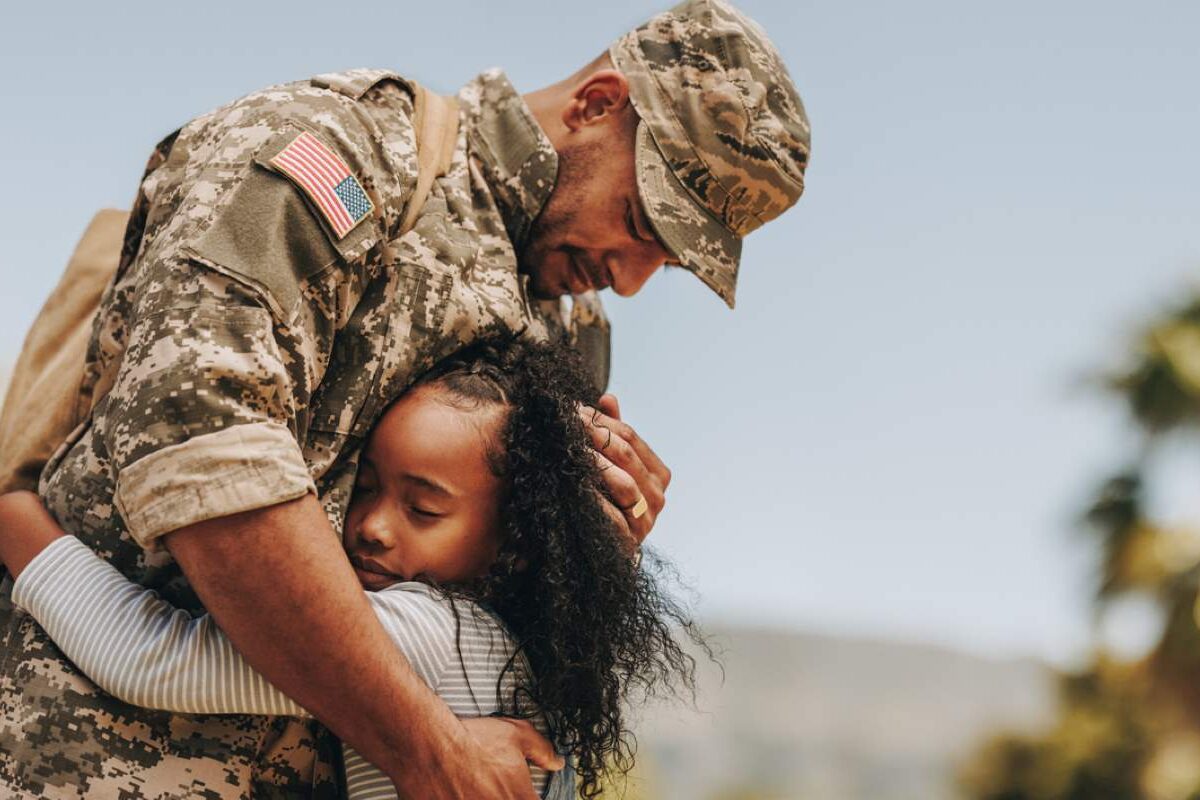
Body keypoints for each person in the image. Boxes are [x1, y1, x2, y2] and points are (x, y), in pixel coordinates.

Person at [0, 0, 809, 797]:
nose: (630, 279)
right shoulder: (345, 155)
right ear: (599, 104)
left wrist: (599, 544)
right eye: (638, 221)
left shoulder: (572, 329)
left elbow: (488, 627)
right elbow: (205, 452)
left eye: (664, 262)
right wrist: (427, 749)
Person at [0, 336, 704, 800]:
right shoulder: (524, 650)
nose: (371, 525)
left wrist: (15, 516)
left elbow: (151, 658)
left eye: (423, 510)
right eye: (364, 486)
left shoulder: (431, 632)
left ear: (512, 545)